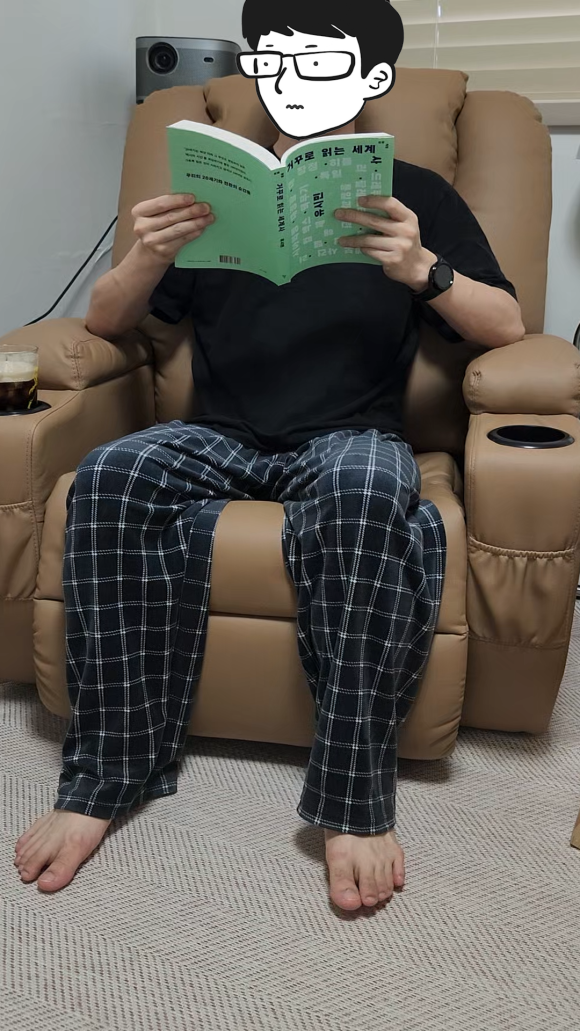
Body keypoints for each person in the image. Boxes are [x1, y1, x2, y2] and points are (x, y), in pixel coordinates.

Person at [14, 0, 525, 913]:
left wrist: (425, 270)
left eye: (316, 62)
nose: (287, 79)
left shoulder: (413, 195)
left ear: (371, 79)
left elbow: (509, 325)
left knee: (367, 489)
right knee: (110, 476)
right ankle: (105, 777)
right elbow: (106, 321)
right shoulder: (216, 189)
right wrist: (147, 253)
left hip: (350, 437)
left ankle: (354, 802)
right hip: (223, 432)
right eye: (272, 60)